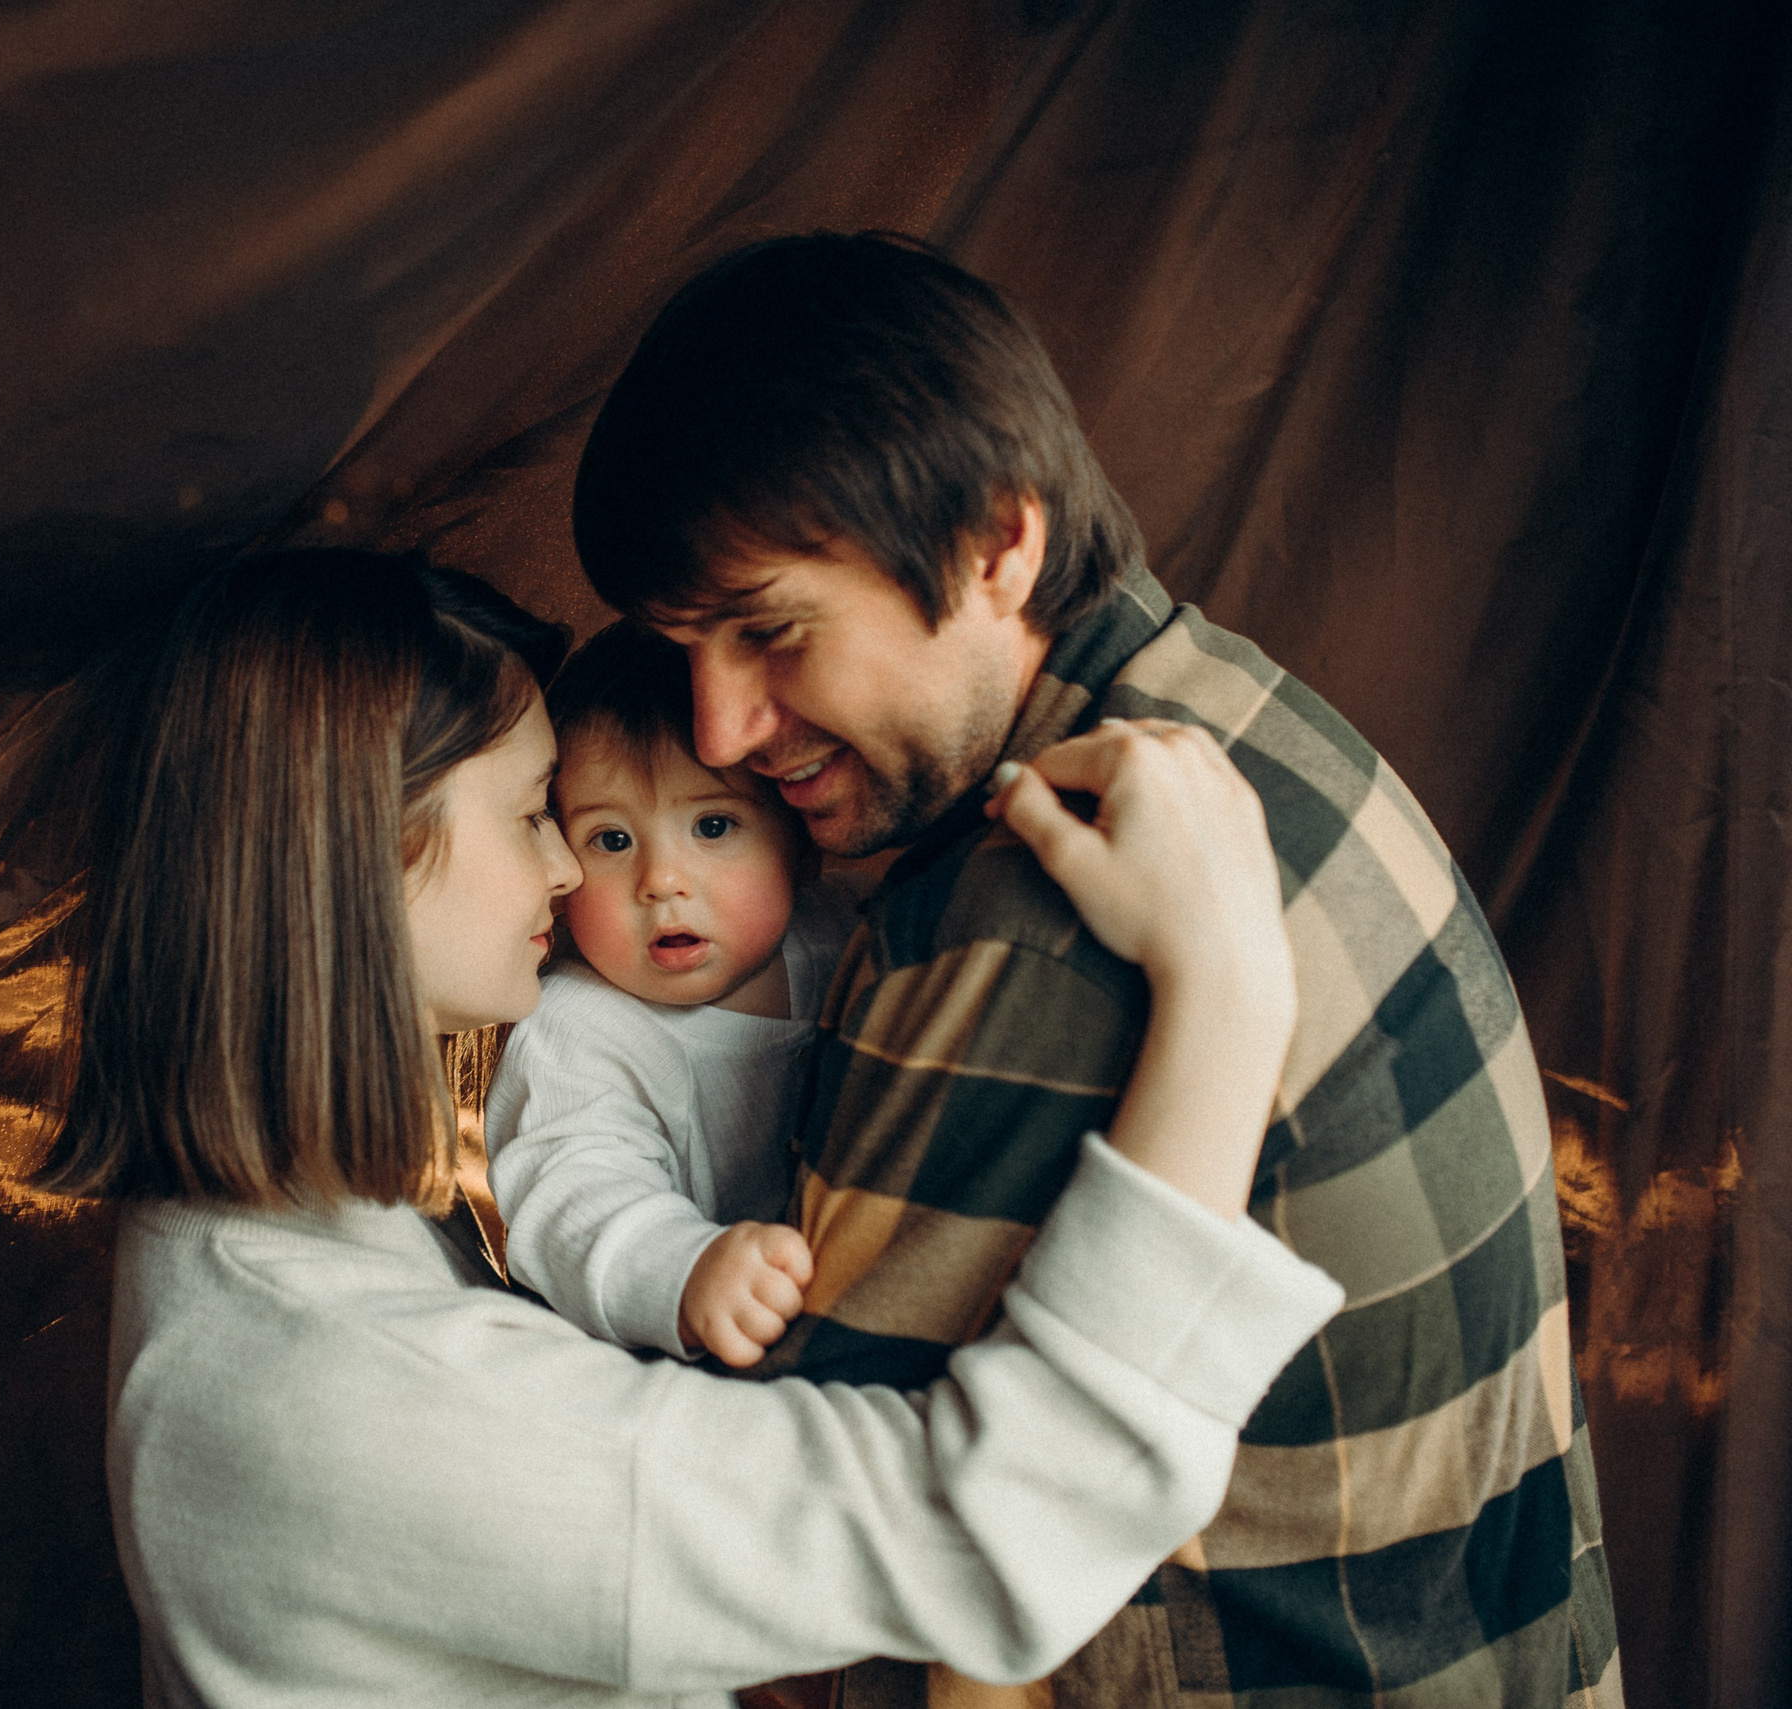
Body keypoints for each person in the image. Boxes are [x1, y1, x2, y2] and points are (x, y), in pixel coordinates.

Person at [571, 231, 1620, 1706]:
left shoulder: (1024, 915)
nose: (720, 727)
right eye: (684, 647)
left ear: (997, 543)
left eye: (771, 631)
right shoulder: (1238, 715)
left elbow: (830, 1595)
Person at [44, 547, 1340, 1708]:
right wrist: (1227, 997)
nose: (572, 870)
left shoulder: (273, 1223)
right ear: (359, 853)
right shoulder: (337, 1395)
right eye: (537, 814)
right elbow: (993, 1532)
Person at [487, 618, 846, 1368]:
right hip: (690, 1346)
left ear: (801, 845)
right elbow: (575, 1190)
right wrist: (684, 1270)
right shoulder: (580, 1029)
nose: (660, 880)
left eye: (713, 825)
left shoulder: (837, 938)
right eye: (611, 840)